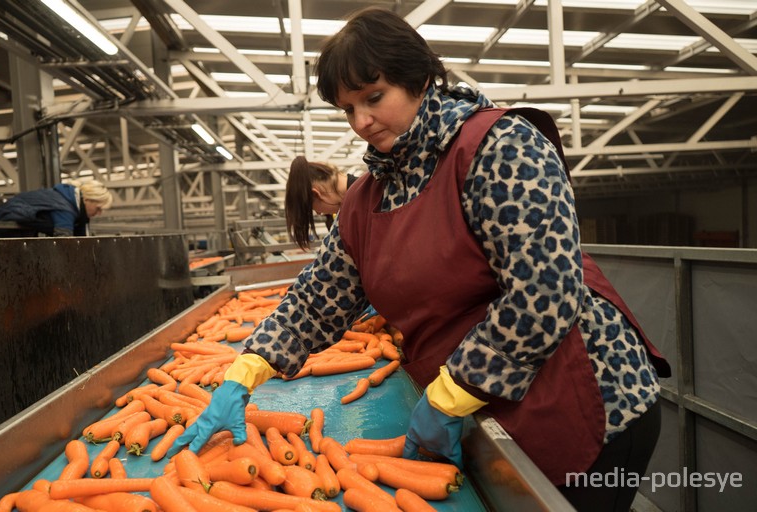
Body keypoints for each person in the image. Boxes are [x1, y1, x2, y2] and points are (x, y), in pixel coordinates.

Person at [171, 7, 670, 511]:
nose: (361, 121)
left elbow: (544, 292)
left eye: (373, 97)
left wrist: (454, 391)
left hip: (591, 400)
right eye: (347, 109)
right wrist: (245, 371)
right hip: (494, 402)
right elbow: (315, 303)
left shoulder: (501, 147)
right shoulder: (369, 198)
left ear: (421, 79)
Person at [0, 179, 112, 238]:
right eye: (98, 208)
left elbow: (83, 239)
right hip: (5, 225)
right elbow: (65, 242)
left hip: (20, 224)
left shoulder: (73, 205)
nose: (99, 213)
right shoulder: (65, 208)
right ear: (87, 200)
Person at [284, 156, 359, 250]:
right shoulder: (352, 206)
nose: (319, 213)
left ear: (316, 194)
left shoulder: (368, 200)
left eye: (313, 208)